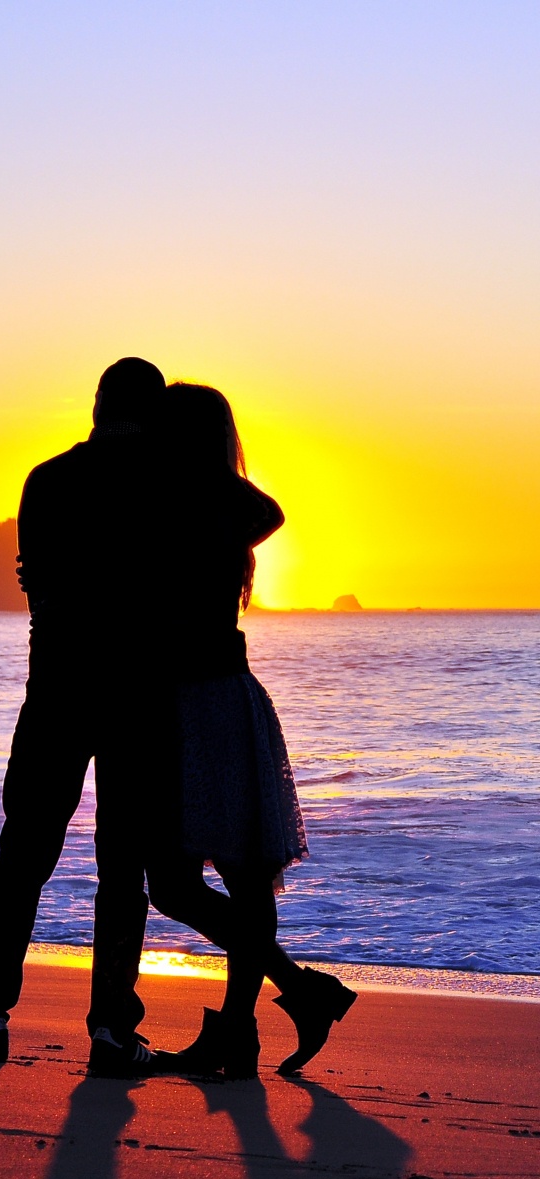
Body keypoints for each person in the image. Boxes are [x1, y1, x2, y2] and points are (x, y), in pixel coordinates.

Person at [0, 357, 177, 1074]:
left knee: (22, 860)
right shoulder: (168, 484)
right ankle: (113, 1034)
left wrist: (81, 590)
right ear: (154, 413)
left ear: (95, 405)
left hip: (57, 690)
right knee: (122, 873)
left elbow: (43, 591)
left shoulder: (48, 479)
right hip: (135, 698)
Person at [145, 384, 356, 1077]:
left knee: (229, 877)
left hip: (210, 706)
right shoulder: (180, 504)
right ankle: (297, 991)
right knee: (181, 885)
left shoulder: (204, 505)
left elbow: (267, 508)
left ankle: (244, 1027)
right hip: (191, 706)